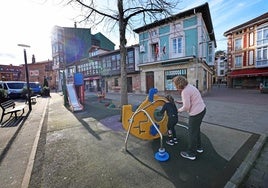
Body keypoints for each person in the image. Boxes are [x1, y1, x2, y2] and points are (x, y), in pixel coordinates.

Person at [173, 76, 206, 160]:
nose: (175, 86)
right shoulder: (190, 87)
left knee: (191, 133)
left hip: (196, 113)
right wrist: (181, 102)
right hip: (202, 110)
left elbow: (187, 107)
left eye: (175, 84)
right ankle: (199, 147)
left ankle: (191, 153)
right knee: (196, 130)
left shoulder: (185, 91)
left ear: (178, 84)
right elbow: (191, 100)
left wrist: (178, 110)